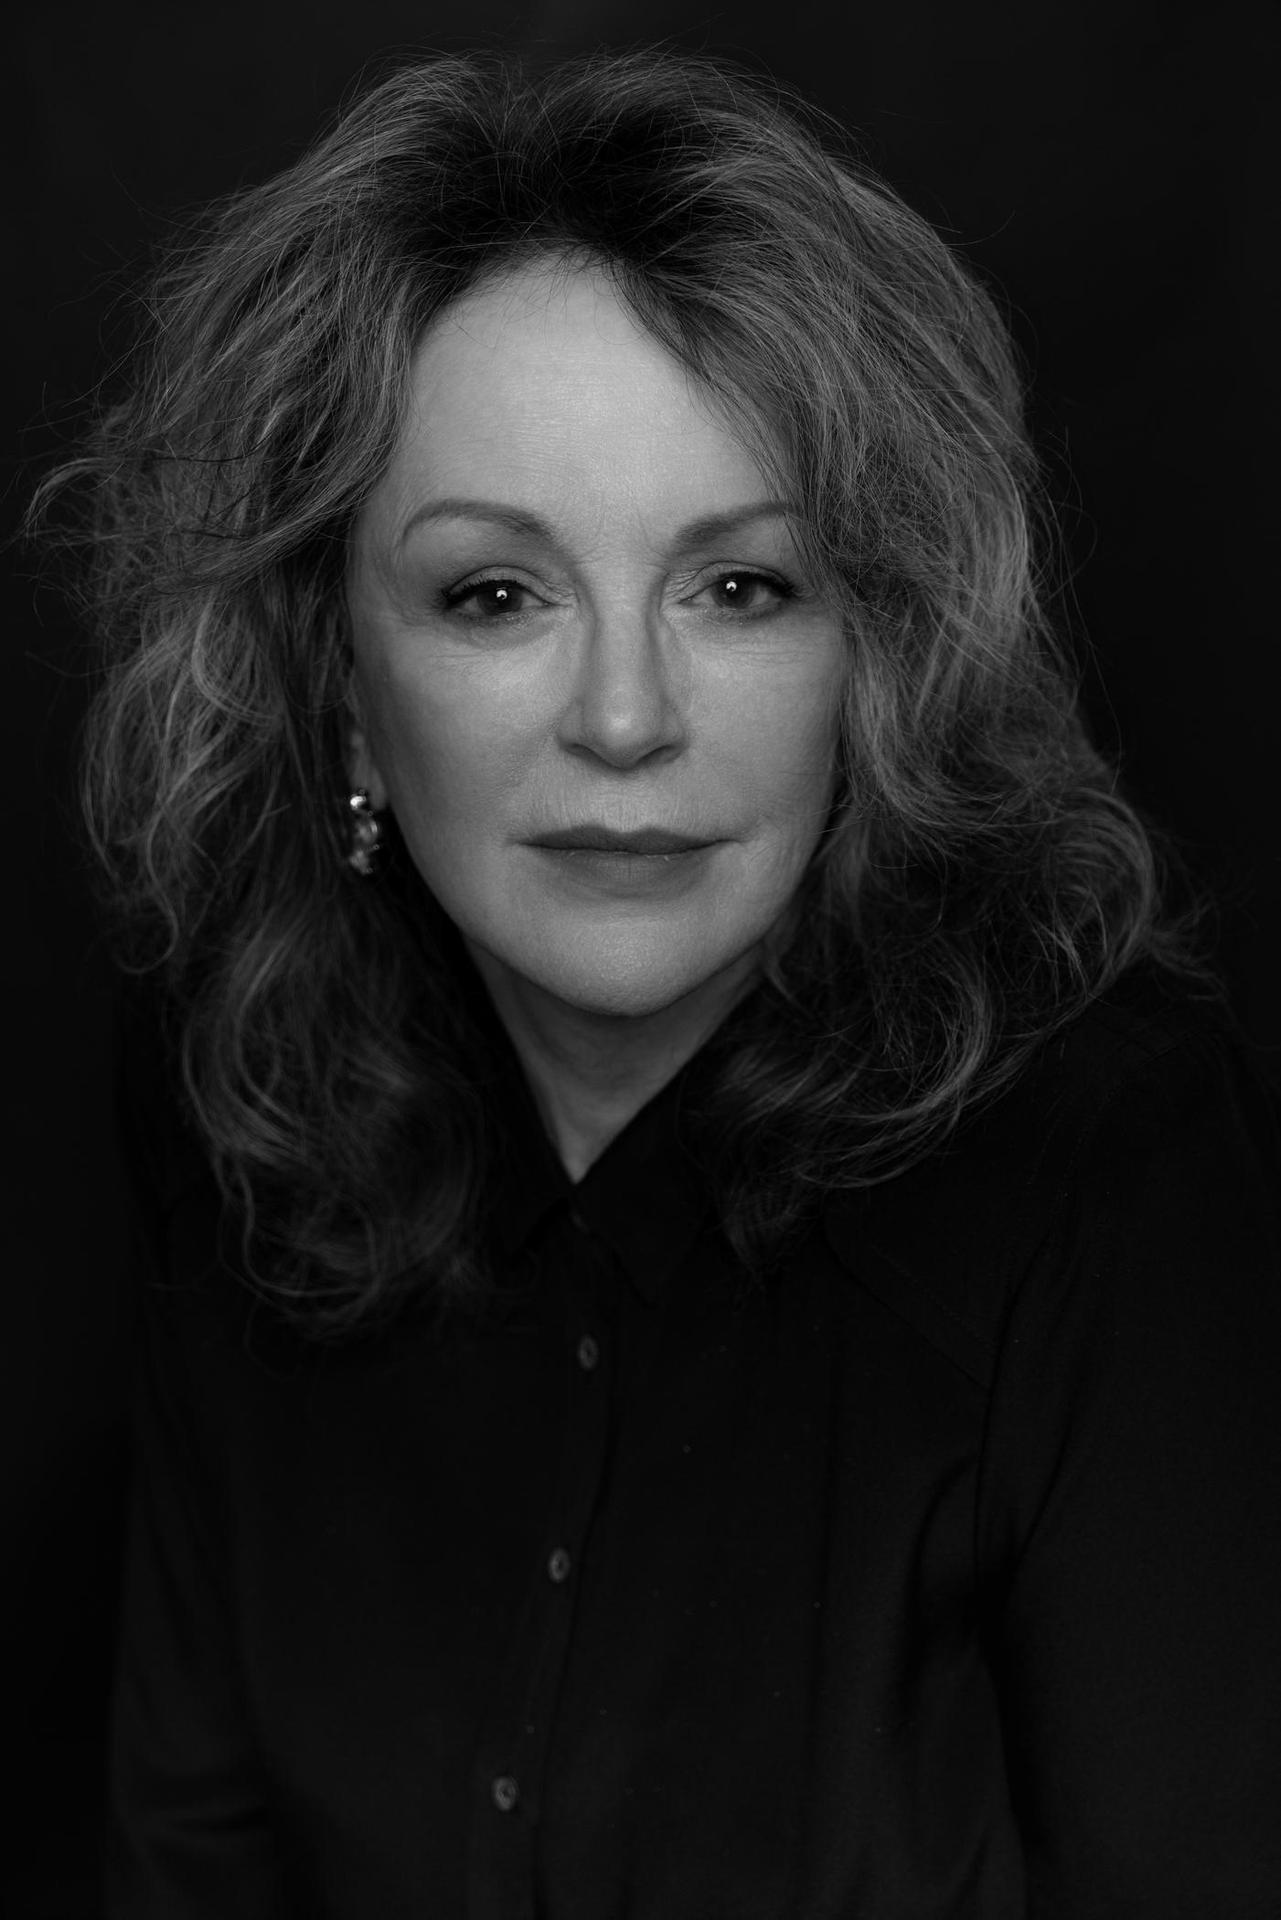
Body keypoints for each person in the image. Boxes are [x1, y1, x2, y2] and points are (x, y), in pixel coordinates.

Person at [38, 44, 1281, 1919]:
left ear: (877, 653)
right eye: (494, 594)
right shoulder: (237, 1079)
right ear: (339, 685)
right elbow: (191, 1847)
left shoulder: (1116, 1173)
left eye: (739, 587)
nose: (624, 718)